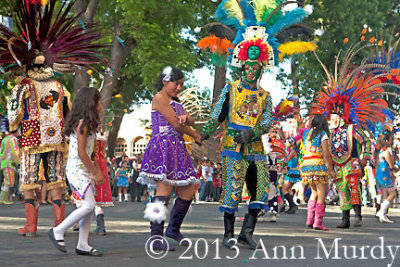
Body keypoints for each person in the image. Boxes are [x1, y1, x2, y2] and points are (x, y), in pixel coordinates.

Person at [1, 0, 102, 237]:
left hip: (31, 138)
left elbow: (13, 113)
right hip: (56, 139)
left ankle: (31, 226)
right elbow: (68, 115)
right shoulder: (58, 85)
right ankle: (58, 224)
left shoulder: (24, 85)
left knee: (29, 181)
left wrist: (16, 123)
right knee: (55, 182)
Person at [137, 66, 201, 251]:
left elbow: (188, 120)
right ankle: (156, 237)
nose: (179, 87)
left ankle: (173, 229)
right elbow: (175, 123)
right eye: (176, 83)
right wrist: (195, 135)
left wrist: (187, 120)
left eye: (181, 84)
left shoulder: (174, 100)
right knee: (164, 189)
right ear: (165, 81)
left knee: (188, 190)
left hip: (177, 147)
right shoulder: (159, 97)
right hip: (164, 146)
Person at [48, 87, 104, 256]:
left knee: (88, 206)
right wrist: (95, 172)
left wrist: (94, 169)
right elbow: (81, 152)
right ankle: (58, 230)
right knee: (89, 205)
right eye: (98, 100)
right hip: (77, 169)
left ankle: (83, 244)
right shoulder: (82, 123)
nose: (101, 103)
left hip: (83, 169)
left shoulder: (87, 123)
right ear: (91, 103)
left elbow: (87, 151)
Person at [301, 114, 335, 231]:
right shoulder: (323, 134)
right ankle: (318, 222)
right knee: (321, 193)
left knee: (314, 192)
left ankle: (309, 220)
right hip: (318, 165)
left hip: (306, 165)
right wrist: (330, 169)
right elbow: (326, 154)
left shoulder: (306, 133)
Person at [375, 132, 396, 223]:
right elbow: (391, 165)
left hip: (379, 174)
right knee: (392, 193)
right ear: (387, 141)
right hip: (384, 175)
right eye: (391, 140)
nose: (391, 142)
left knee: (385, 194)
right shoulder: (386, 152)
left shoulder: (379, 151)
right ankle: (381, 212)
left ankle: (382, 216)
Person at [282, 137, 301, 214]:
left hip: (292, 172)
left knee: (284, 190)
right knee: (288, 189)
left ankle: (292, 205)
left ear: (290, 143)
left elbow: (286, 161)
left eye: (287, 142)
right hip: (294, 171)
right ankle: (291, 207)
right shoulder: (296, 151)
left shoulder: (293, 151)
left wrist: (281, 164)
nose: (286, 144)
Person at [0, 129, 20, 204]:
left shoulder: (5, 139)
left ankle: (4, 198)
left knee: (7, 180)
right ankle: (3, 198)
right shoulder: (13, 139)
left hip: (4, 162)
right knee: (9, 181)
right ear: (16, 132)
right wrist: (19, 162)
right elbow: (15, 152)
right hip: (10, 162)